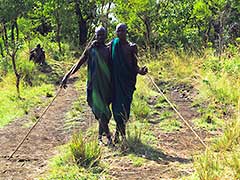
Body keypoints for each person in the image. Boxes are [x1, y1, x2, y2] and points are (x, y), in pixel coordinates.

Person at [61, 27, 113, 145]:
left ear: (106, 36)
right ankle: (108, 137)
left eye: (102, 35)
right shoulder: (90, 50)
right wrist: (67, 76)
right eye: (98, 35)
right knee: (98, 111)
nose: (100, 37)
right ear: (95, 36)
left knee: (104, 112)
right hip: (93, 86)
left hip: (106, 86)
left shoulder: (109, 50)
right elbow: (78, 63)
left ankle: (100, 137)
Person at [109, 23, 148, 144]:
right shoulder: (113, 44)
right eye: (118, 31)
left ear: (126, 32)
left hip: (127, 84)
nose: (120, 33)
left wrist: (141, 71)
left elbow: (135, 66)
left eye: (122, 31)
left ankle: (119, 133)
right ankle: (119, 134)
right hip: (116, 83)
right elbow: (103, 49)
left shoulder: (132, 47)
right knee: (116, 109)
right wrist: (94, 45)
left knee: (125, 109)